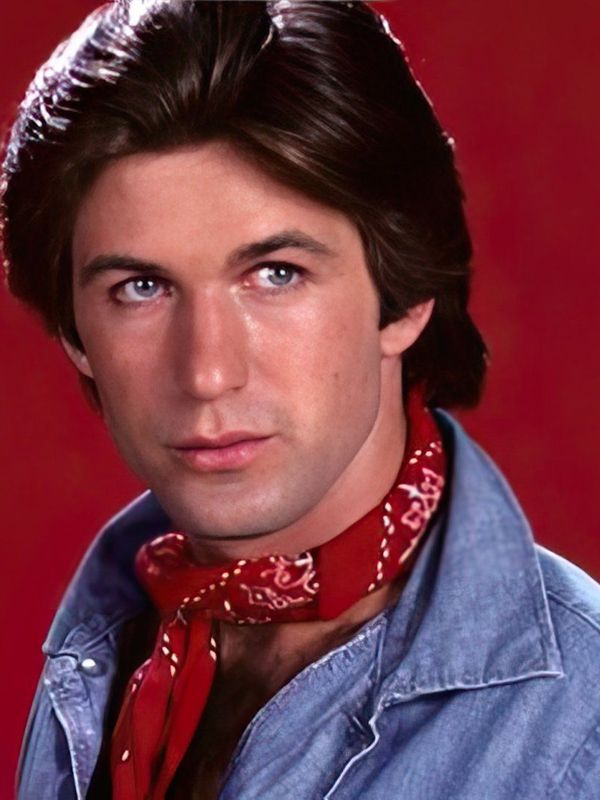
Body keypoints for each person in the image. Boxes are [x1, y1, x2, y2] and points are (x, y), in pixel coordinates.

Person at [3, 1, 600, 798]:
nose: (208, 372)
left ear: (404, 297)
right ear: (76, 334)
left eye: (276, 275)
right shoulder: (107, 648)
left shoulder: (581, 723)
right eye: (141, 288)